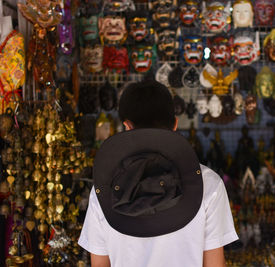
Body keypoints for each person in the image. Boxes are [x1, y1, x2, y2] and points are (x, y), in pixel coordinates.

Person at [78, 80, 238, 267]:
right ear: (175, 124)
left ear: (127, 127)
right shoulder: (208, 183)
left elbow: (99, 264)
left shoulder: (104, 187)